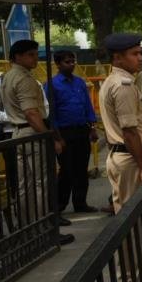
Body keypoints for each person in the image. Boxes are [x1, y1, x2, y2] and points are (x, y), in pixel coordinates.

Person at [0, 40, 74, 245]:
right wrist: (50, 137)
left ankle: (29, 229)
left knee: (26, 186)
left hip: (18, 133)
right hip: (31, 133)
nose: (35, 58)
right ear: (17, 57)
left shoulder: (8, 76)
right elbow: (32, 113)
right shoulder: (24, 79)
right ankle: (43, 229)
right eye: (31, 55)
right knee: (40, 184)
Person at [99, 33, 142, 213]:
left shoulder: (113, 81)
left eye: (140, 53)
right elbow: (130, 132)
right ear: (118, 58)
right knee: (139, 220)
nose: (141, 58)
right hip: (131, 160)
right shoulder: (123, 85)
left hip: (124, 156)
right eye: (134, 54)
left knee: (130, 216)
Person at [46, 50, 99, 213]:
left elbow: (87, 105)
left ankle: (80, 203)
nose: (71, 64)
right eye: (67, 62)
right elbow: (50, 113)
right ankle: (59, 206)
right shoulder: (51, 85)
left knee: (82, 169)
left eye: (73, 61)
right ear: (58, 64)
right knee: (66, 170)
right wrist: (57, 138)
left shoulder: (80, 83)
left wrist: (92, 127)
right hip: (64, 132)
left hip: (82, 130)